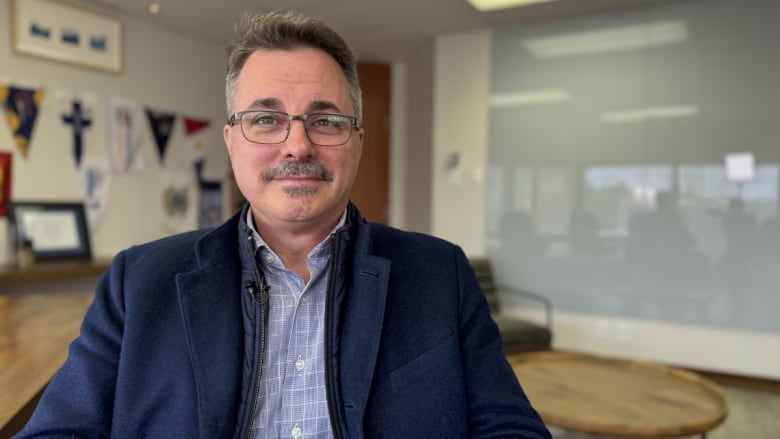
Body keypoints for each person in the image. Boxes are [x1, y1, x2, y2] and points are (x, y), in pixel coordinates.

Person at [17, 10, 550, 439]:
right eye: (265, 119)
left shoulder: (440, 273)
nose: (298, 144)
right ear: (230, 140)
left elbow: (509, 428)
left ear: (356, 142)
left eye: (326, 120)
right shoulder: (139, 281)